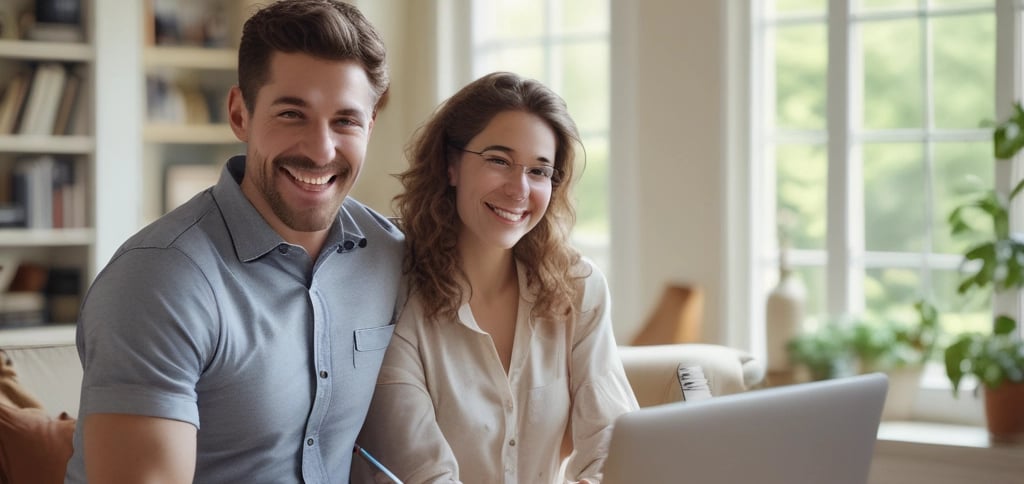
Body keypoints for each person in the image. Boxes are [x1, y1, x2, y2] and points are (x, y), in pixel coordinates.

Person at [64, 1, 403, 482]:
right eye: (292, 113)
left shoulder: (391, 254)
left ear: (369, 128)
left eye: (345, 121)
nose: (321, 149)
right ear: (240, 115)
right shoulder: (159, 280)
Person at [355, 72, 639, 484]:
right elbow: (422, 472)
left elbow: (616, 447)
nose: (519, 189)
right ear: (451, 165)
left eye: (540, 171)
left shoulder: (579, 287)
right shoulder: (393, 294)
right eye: (498, 160)